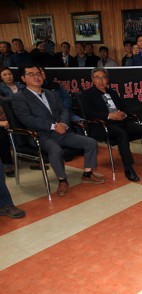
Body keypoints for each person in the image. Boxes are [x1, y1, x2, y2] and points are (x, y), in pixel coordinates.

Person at [12, 64, 105, 197]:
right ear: (23, 78)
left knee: (90, 142)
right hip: (41, 135)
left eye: (38, 73)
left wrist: (63, 124)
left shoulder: (50, 93)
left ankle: (87, 174)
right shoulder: (19, 97)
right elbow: (27, 119)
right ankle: (62, 180)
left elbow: (64, 110)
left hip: (62, 131)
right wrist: (53, 126)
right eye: (31, 74)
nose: (36, 76)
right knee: (56, 150)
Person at [82, 67, 142, 182]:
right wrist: (109, 115)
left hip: (121, 121)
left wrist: (123, 114)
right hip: (103, 125)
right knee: (122, 134)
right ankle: (128, 168)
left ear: (107, 79)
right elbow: (88, 112)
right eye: (97, 78)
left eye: (103, 77)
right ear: (92, 79)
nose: (101, 80)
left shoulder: (112, 92)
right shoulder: (87, 94)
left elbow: (124, 107)